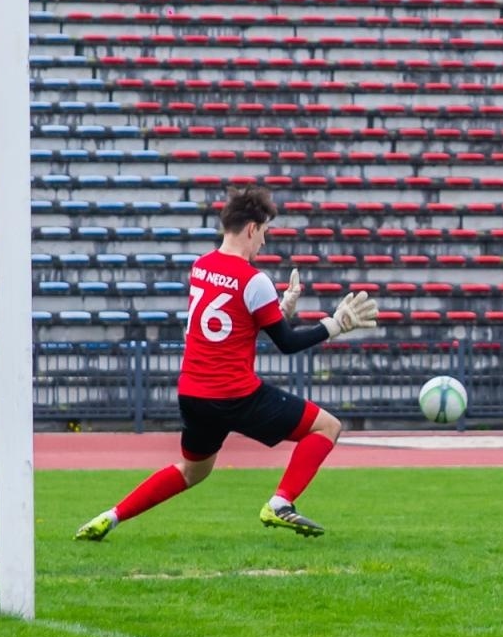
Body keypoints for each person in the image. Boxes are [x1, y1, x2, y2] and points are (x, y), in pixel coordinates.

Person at [74, 187, 380, 541]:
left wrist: (279, 311)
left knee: (192, 471)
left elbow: (231, 326)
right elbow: (287, 343)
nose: (264, 242)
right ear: (251, 228)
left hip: (193, 394)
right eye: (264, 232)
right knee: (327, 427)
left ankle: (111, 516)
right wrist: (335, 325)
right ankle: (281, 503)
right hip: (234, 394)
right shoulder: (254, 280)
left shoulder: (201, 266)